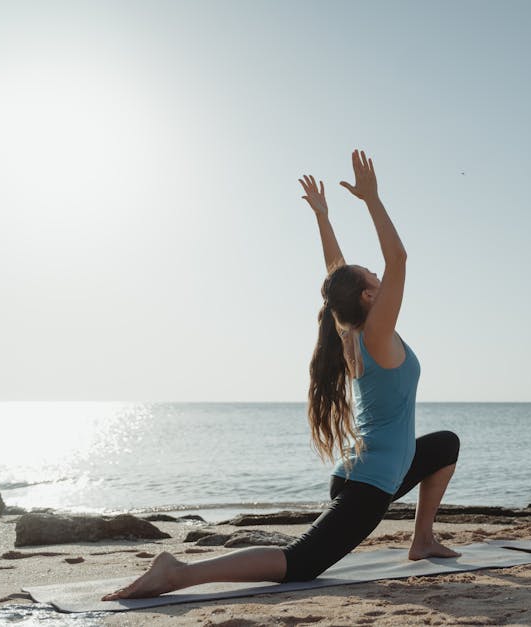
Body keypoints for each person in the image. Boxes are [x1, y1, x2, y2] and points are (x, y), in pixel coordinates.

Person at [104, 150, 460, 600]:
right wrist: (371, 200)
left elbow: (336, 277)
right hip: (369, 484)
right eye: (371, 274)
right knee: (301, 563)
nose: (376, 270)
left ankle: (422, 539)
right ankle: (179, 572)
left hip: (364, 468)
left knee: (445, 444)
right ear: (371, 295)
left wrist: (324, 217)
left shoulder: (351, 331)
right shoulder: (374, 335)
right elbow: (399, 259)